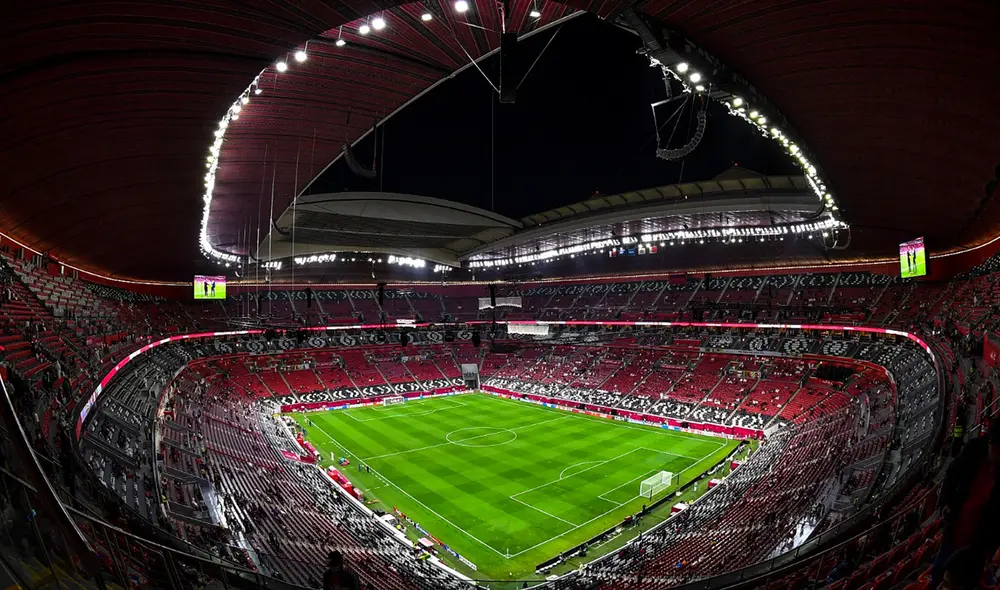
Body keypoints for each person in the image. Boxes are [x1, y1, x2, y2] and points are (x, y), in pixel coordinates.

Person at [932, 426, 1000, 587]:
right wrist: (946, 501)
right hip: (956, 526)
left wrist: (988, 548)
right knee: (941, 571)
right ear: (991, 444)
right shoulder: (974, 450)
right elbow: (952, 474)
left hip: (977, 541)